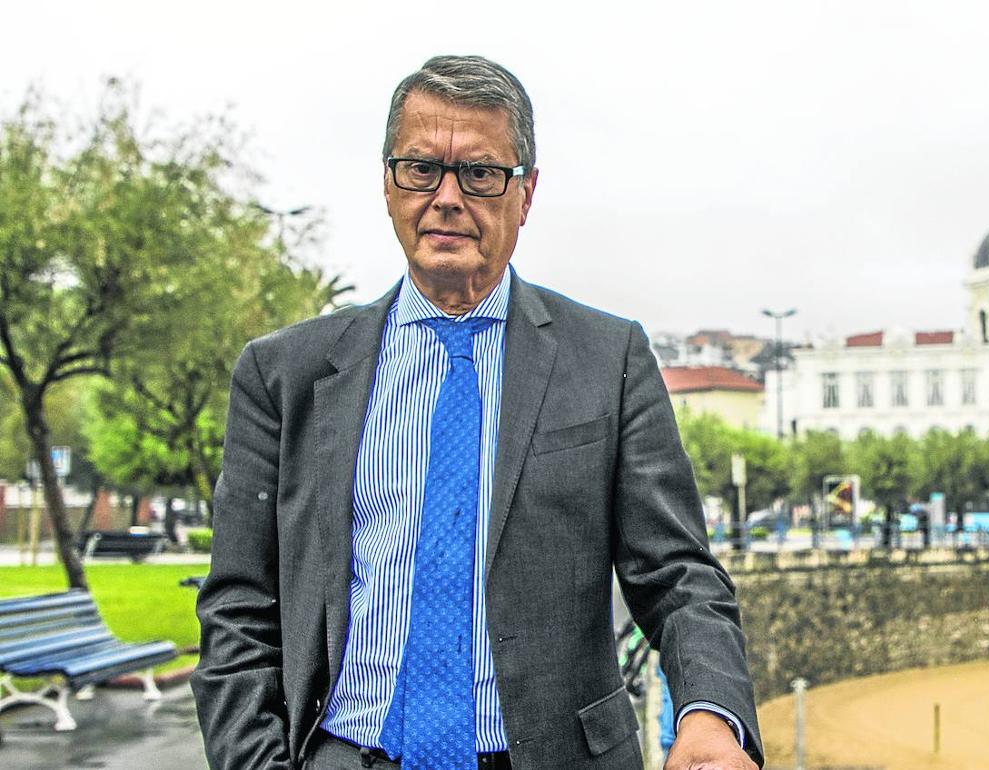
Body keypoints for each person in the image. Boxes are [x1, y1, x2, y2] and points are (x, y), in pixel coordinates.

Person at [191, 55, 763, 770]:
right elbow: (240, 608)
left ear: (526, 194)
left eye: (481, 173)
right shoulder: (285, 376)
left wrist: (711, 715)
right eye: (421, 168)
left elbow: (678, 576)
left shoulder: (608, 359)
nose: (448, 197)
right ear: (388, 183)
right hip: (346, 752)